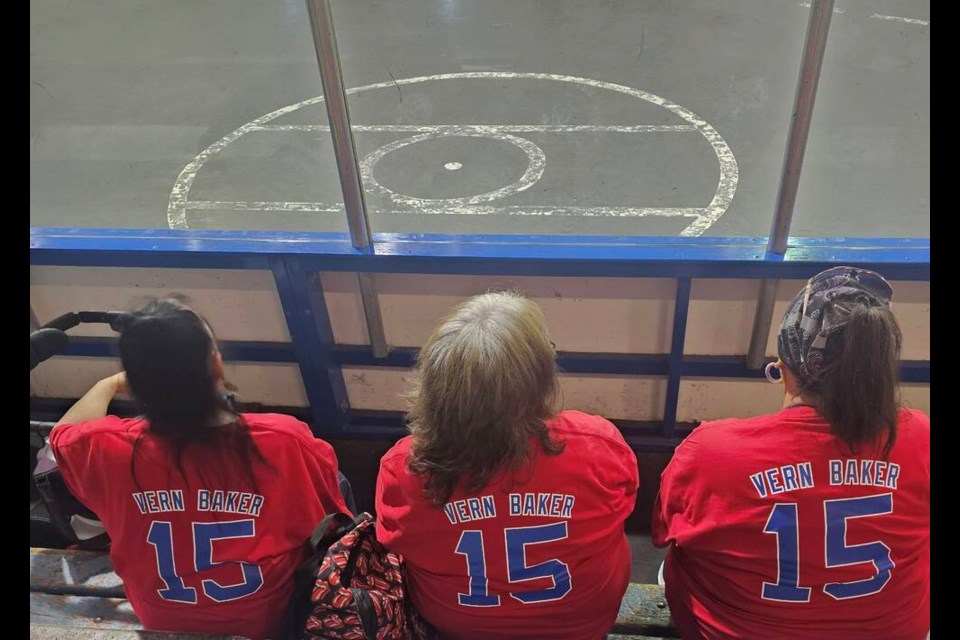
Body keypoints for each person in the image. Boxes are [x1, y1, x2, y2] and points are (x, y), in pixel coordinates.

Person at [652, 266, 929, 639]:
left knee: (675, 560)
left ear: (783, 369)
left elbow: (664, 531)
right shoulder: (921, 436)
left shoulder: (711, 451)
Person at [49, 299, 350, 639]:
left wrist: (110, 383)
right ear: (216, 366)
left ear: (135, 382)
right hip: (270, 621)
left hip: (161, 617)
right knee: (334, 481)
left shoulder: (103, 446)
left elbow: (61, 436)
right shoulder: (283, 439)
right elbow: (327, 514)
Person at [375, 291, 639, 640]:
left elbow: (394, 541)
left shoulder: (402, 467)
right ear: (540, 379)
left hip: (459, 628)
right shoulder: (598, 444)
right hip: (581, 627)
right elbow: (628, 501)